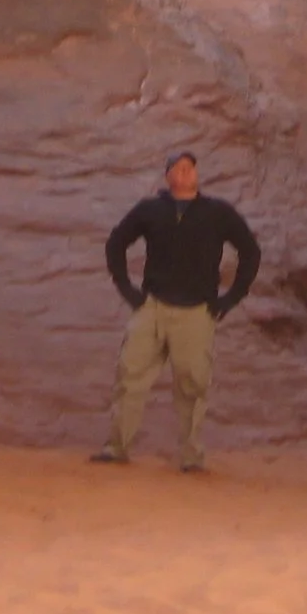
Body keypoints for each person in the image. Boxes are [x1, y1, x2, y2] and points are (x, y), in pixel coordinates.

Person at [93, 151, 260, 473]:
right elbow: (116, 243)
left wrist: (230, 298)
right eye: (177, 169)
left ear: (197, 174)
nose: (183, 173)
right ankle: (116, 449)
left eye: (189, 168)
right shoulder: (150, 210)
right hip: (152, 307)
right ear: (167, 176)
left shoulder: (218, 213)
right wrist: (129, 291)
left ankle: (191, 457)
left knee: (193, 387)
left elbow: (250, 252)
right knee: (129, 377)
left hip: (197, 312)